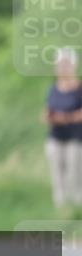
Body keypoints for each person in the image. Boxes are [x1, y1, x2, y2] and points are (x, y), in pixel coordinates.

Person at [45, 48, 82, 208]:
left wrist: (67, 117)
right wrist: (52, 117)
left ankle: (76, 205)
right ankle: (60, 206)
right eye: (60, 64)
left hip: (75, 136)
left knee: (74, 172)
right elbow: (47, 111)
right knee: (57, 173)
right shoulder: (53, 88)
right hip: (55, 135)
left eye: (66, 64)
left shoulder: (79, 88)